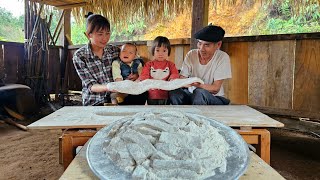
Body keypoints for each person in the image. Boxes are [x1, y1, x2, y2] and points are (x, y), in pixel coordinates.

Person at [72, 12, 146, 106]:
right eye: (100, 34)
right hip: (95, 101)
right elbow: (91, 85)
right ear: (88, 35)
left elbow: (136, 60)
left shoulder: (114, 50)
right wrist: (110, 87)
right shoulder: (80, 56)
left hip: (119, 97)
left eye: (107, 33)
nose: (105, 38)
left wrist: (136, 74)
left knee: (142, 94)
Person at [169, 24, 232, 105]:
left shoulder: (222, 57)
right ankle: (180, 116)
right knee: (175, 93)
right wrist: (173, 80)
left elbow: (215, 88)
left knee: (199, 93)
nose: (201, 48)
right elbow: (182, 78)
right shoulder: (191, 54)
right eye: (199, 43)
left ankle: (198, 117)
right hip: (192, 95)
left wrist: (197, 84)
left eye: (206, 45)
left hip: (214, 98)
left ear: (218, 45)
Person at [139, 36, 179, 105]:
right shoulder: (149, 65)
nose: (161, 53)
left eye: (164, 51)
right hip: (151, 95)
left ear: (168, 52)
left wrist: (172, 79)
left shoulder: (171, 65)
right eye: (157, 50)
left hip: (166, 95)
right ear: (153, 51)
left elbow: (175, 75)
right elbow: (144, 76)